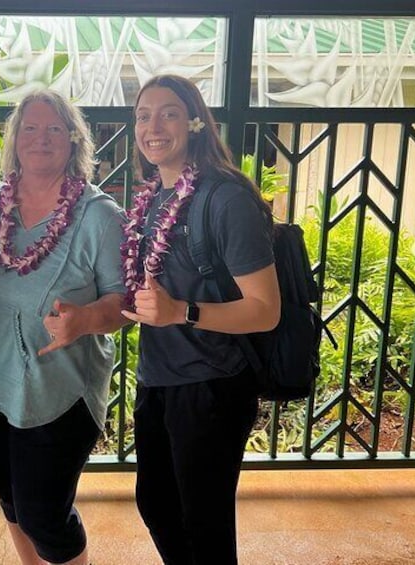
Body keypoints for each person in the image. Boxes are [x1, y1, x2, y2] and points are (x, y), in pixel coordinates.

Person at [0, 90, 127, 565]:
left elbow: (124, 302)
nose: (41, 138)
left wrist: (86, 319)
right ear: (14, 139)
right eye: (30, 128)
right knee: (11, 499)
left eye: (54, 129)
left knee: (44, 513)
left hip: (58, 392)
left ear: (74, 141)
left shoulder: (99, 215)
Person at [120, 75, 281, 564]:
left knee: (204, 524)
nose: (153, 126)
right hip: (160, 379)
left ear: (193, 123)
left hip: (212, 385)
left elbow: (265, 309)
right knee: (158, 504)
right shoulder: (155, 199)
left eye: (168, 113)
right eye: (144, 114)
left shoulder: (225, 198)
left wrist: (181, 312)